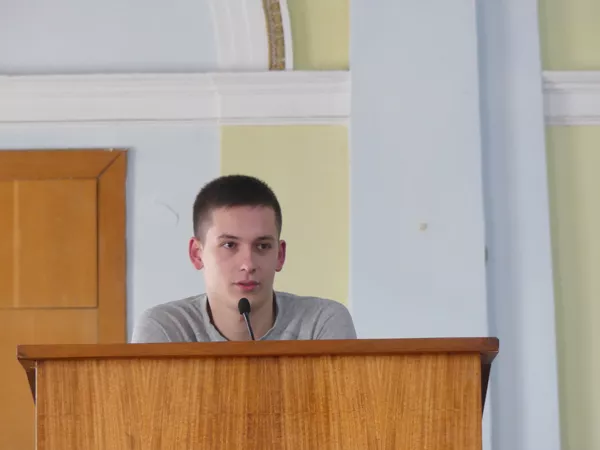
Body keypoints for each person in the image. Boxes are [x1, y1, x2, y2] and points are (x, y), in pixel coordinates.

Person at [131, 174, 357, 343]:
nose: (248, 264)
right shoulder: (165, 329)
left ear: (280, 255)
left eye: (262, 246)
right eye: (229, 245)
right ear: (196, 254)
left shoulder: (321, 322)